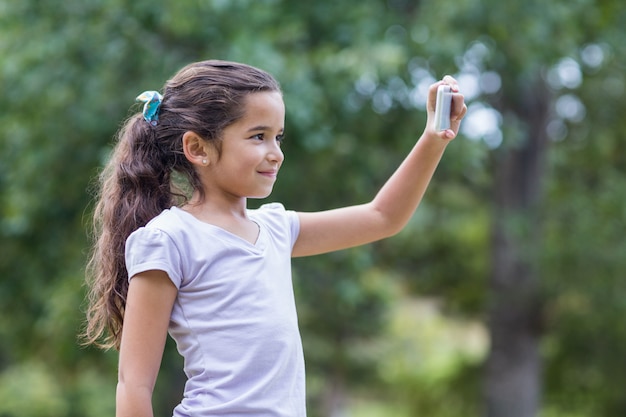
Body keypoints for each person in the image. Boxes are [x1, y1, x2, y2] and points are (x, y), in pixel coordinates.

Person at [83, 59, 466, 417]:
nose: (276, 153)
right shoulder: (168, 239)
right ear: (197, 148)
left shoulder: (277, 229)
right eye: (258, 137)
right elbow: (133, 383)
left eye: (278, 137)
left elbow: (382, 217)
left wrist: (434, 137)